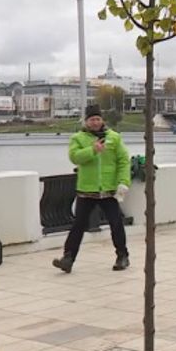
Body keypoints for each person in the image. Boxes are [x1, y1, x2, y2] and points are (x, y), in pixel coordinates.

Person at [53, 105, 131, 273]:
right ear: (86, 121)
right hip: (86, 190)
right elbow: (74, 157)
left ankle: (122, 256)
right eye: (91, 119)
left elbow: (124, 161)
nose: (95, 122)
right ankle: (68, 258)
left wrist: (123, 182)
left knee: (116, 223)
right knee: (78, 225)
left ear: (102, 120)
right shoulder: (78, 138)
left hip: (109, 189)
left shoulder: (114, 138)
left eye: (97, 119)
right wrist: (92, 150)